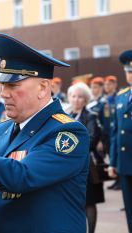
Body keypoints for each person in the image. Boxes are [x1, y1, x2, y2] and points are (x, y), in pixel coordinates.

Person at [0, 33, 90, 233]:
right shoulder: (0, 130)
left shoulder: (66, 132)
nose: (3, 93)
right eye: (2, 84)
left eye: (13, 85)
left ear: (43, 87)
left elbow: (20, 176)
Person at [67, 82, 105, 233]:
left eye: (80, 97)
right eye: (73, 96)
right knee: (73, 202)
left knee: (89, 202)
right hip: (70, 167)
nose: (76, 100)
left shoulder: (90, 116)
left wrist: (70, 148)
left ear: (86, 99)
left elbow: (92, 139)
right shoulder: (66, 116)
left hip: (88, 166)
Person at [109, 49, 132, 233]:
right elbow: (116, 132)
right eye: (128, 71)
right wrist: (113, 162)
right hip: (125, 164)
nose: (130, 75)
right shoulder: (122, 96)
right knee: (130, 211)